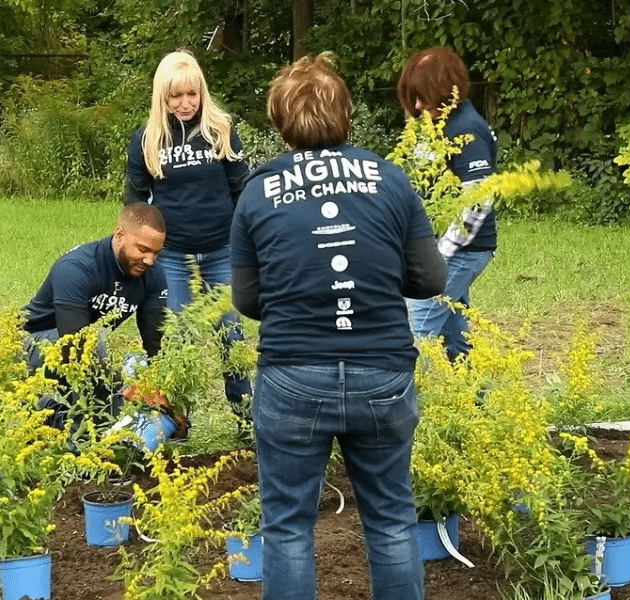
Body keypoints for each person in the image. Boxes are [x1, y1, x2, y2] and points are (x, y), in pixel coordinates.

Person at [231, 53, 447, 600]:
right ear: (347, 114)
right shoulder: (390, 180)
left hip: (292, 377)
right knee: (394, 520)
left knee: (286, 527)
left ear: (279, 119)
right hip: (382, 373)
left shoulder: (257, 191)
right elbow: (430, 279)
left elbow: (248, 300)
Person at [125, 49, 253, 431]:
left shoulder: (221, 129)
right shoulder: (147, 139)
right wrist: (138, 248)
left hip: (221, 250)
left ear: (202, 92)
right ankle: (177, 420)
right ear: (161, 97)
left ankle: (247, 417)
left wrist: (247, 241)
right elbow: (135, 201)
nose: (185, 103)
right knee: (177, 338)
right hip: (173, 256)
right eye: (175, 96)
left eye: (191, 94)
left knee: (231, 332)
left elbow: (242, 190)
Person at [22, 203, 168, 436]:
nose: (150, 260)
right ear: (120, 234)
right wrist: (124, 388)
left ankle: (55, 418)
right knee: (95, 347)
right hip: (30, 349)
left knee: (135, 375)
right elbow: (75, 345)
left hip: (88, 351)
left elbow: (157, 343)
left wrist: (166, 393)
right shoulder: (76, 268)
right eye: (142, 249)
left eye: (156, 252)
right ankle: (81, 446)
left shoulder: (152, 274)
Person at [396, 47, 499, 361]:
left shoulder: (466, 130)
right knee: (455, 338)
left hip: (462, 250)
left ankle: (402, 408)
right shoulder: (437, 125)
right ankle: (475, 406)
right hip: (442, 247)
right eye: (412, 97)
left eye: (423, 97)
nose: (417, 106)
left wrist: (439, 254)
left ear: (446, 92)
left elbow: (477, 200)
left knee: (414, 333)